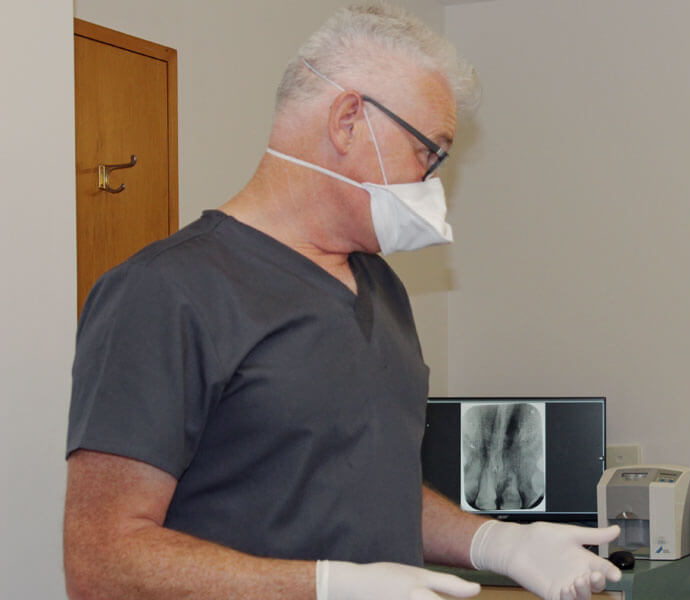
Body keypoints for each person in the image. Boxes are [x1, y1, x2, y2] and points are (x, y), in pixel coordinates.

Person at [63, 5, 620, 600]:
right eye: (428, 152)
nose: (431, 182)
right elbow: (101, 559)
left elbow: (367, 489)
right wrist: (323, 587)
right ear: (349, 120)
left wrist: (497, 543)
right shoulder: (166, 292)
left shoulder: (382, 290)